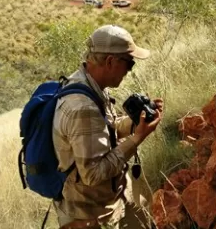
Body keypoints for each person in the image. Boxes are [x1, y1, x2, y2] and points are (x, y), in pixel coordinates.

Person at [52, 24, 163, 229]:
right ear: (111, 61)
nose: (129, 71)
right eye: (129, 64)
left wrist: (139, 122)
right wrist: (137, 138)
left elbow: (106, 128)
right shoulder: (82, 107)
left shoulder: (89, 84)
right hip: (90, 215)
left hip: (113, 199)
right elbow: (93, 174)